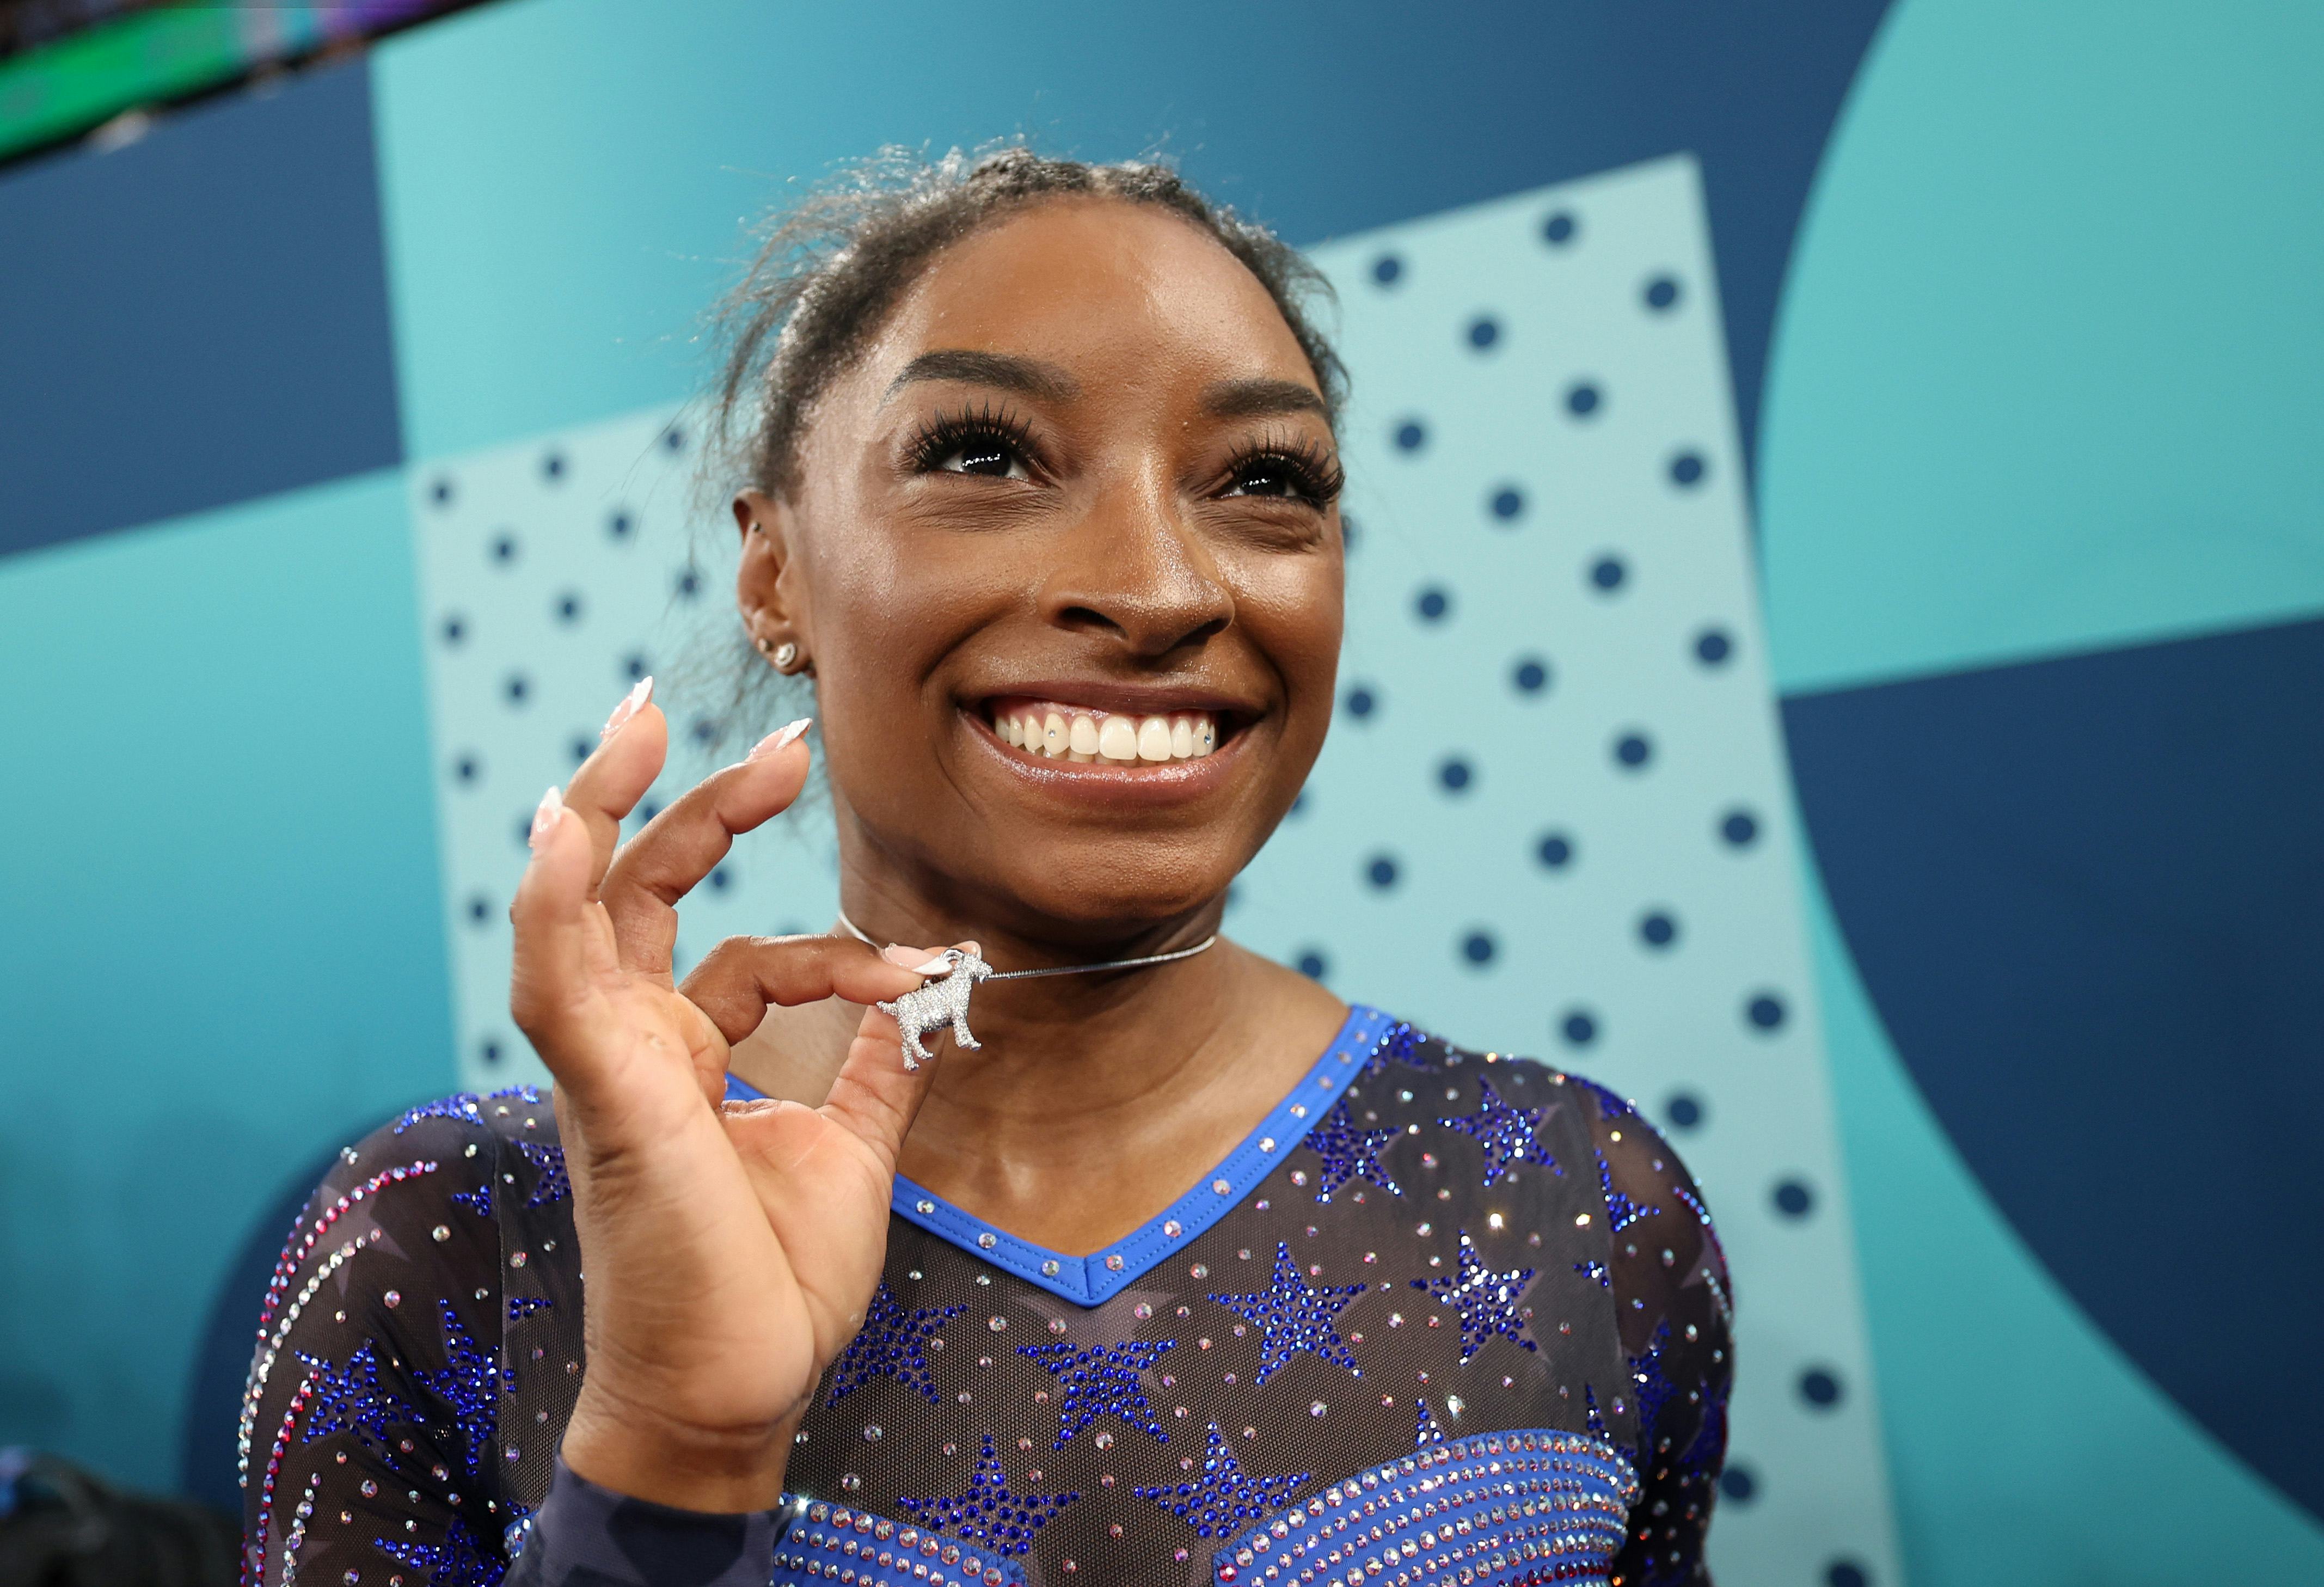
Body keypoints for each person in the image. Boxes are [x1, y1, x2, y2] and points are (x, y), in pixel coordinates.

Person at [237, 148, 1731, 1587]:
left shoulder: (1582, 1201)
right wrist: (676, 1447)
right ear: (774, 573)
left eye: (1265, 477)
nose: (1156, 588)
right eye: (985, 457)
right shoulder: (454, 1242)